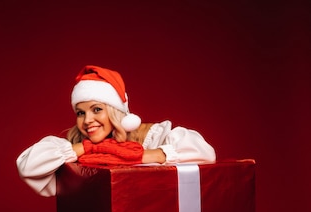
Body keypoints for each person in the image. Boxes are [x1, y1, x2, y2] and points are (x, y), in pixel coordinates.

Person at [16, 65, 216, 196]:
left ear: (115, 111)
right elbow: (28, 167)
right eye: (80, 112)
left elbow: (205, 154)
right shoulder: (72, 149)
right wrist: (89, 149)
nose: (87, 121)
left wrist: (135, 156)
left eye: (97, 110)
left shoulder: (154, 136)